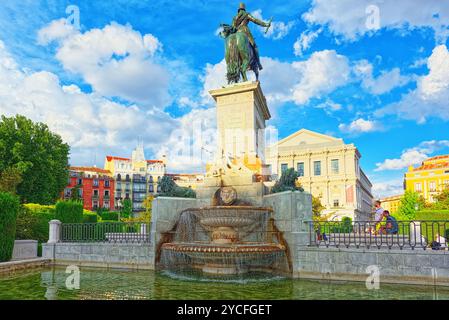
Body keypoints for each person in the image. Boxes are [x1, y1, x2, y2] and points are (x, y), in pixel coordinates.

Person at [232, 3, 271, 70]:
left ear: (238, 9)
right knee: (255, 46)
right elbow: (255, 20)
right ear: (244, 8)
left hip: (236, 33)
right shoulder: (246, 14)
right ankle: (258, 63)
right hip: (245, 31)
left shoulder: (234, 17)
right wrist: (265, 24)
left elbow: (233, 28)